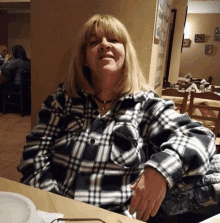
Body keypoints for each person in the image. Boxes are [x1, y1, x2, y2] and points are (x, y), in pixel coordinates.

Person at [17, 14, 216, 222]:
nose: (104, 45)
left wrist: (160, 170)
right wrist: (53, 204)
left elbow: (199, 136)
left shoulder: (146, 105)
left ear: (126, 53)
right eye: (94, 42)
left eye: (113, 40)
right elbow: (34, 153)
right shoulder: (62, 101)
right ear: (84, 58)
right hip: (56, 214)